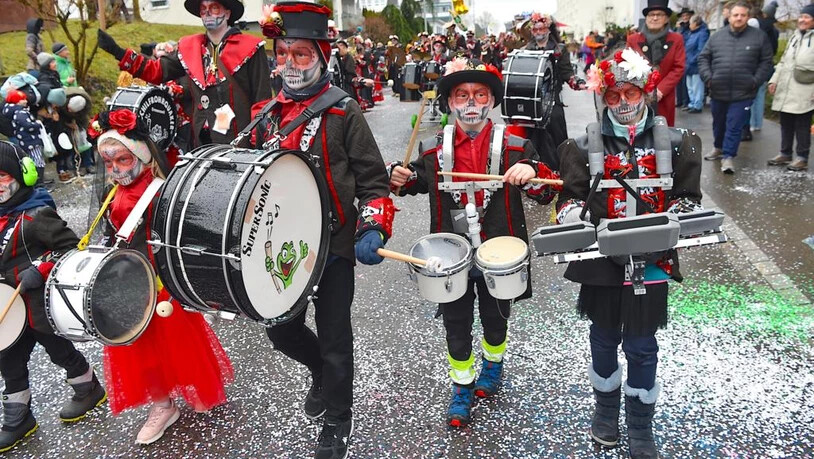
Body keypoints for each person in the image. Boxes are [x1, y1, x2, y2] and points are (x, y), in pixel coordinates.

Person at [253, 3, 394, 458]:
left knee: (335, 339)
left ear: (321, 56)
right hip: (281, 246)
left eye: (300, 54)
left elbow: (373, 181)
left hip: (333, 245)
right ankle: (320, 373)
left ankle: (338, 419)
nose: (290, 63)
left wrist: (373, 227)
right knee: (281, 332)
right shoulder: (266, 114)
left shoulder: (343, 111)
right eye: (283, 53)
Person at [389, 56, 560, 428]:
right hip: (452, 253)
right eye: (462, 95)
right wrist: (399, 178)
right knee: (456, 322)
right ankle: (462, 384)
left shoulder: (516, 147)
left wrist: (532, 172)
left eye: (480, 94)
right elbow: (415, 182)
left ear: (491, 101)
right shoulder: (433, 151)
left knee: (496, 317)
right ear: (449, 102)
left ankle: (494, 364)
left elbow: (547, 193)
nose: (471, 102)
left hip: (500, 249)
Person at [562, 48, 702, 459]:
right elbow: (568, 200)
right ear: (602, 98)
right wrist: (574, 216)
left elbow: (688, 199)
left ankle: (641, 425)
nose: (623, 103)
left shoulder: (678, 143)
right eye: (613, 96)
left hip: (654, 259)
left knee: (641, 345)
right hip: (600, 262)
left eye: (631, 93)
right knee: (603, 340)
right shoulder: (582, 145)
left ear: (646, 92)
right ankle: (605, 412)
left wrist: (672, 219)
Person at [86, 109, 234, 445]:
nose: (114, 170)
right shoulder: (112, 193)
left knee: (179, 338)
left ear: (139, 155)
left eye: (122, 160)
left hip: (160, 278)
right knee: (139, 345)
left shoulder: (159, 188)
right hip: (127, 279)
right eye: (109, 164)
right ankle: (161, 403)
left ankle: (196, 384)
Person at [0, 141, 107, 453]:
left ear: (23, 176)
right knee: (9, 360)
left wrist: (41, 268)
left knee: (59, 350)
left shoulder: (36, 215)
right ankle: (18, 418)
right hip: (9, 310)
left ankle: (87, 388)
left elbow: (70, 248)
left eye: (2, 177)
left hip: (36, 306)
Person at [97, 0, 272, 147]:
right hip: (200, 140)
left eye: (214, 8)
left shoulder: (251, 48)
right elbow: (157, 71)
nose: (207, 13)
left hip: (240, 141)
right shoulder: (190, 47)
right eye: (203, 10)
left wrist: (257, 142)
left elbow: (261, 100)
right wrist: (118, 52)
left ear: (227, 13)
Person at [699, 0, 773, 174]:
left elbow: (766, 62)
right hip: (718, 90)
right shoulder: (717, 36)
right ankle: (718, 147)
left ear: (748, 17)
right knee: (719, 123)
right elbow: (703, 58)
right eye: (736, 15)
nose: (739, 18)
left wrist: (755, 80)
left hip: (744, 92)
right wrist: (709, 78)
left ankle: (728, 156)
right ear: (729, 16)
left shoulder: (759, 36)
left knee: (734, 125)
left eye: (743, 15)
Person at [519, 12, 586, 170]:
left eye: (541, 29)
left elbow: (567, 72)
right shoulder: (527, 49)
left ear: (548, 29)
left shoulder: (559, 49)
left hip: (553, 98)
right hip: (534, 99)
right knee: (532, 135)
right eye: (535, 30)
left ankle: (561, 170)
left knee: (557, 132)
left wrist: (576, 82)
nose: (538, 32)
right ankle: (534, 170)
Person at [766, 4, 814, 172]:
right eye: (801, 16)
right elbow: (783, 62)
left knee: (802, 124)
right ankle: (785, 153)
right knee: (786, 123)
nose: (802, 20)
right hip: (786, 89)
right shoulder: (794, 37)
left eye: (807, 17)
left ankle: (802, 157)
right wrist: (774, 80)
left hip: (805, 90)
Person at [626, 0, 686, 127]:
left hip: (664, 97)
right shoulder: (633, 40)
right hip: (639, 96)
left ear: (666, 19)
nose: (654, 18)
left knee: (663, 132)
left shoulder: (676, 39)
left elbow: (678, 68)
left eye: (659, 14)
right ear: (646, 18)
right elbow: (627, 65)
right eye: (651, 14)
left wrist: (661, 90)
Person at [2, 90, 48, 184]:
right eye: (22, 99)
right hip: (31, 141)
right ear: (16, 102)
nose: (26, 101)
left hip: (25, 140)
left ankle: (38, 182)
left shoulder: (16, 111)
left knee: (34, 160)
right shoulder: (20, 112)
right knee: (38, 161)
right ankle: (39, 184)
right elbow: (27, 125)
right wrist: (37, 124)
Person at [683, 15, 710, 114]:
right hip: (688, 64)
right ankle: (692, 103)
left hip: (695, 65)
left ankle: (697, 105)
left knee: (697, 87)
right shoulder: (691, 33)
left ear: (696, 23)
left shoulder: (702, 34)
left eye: (690, 23)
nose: (689, 25)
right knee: (690, 86)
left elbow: (701, 50)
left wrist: (692, 60)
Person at [675, 7, 693, 110]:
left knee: (686, 83)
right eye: (683, 16)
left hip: (687, 57)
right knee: (679, 82)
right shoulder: (680, 28)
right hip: (679, 55)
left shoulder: (691, 28)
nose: (685, 17)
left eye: (687, 15)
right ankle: (680, 100)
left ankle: (686, 101)